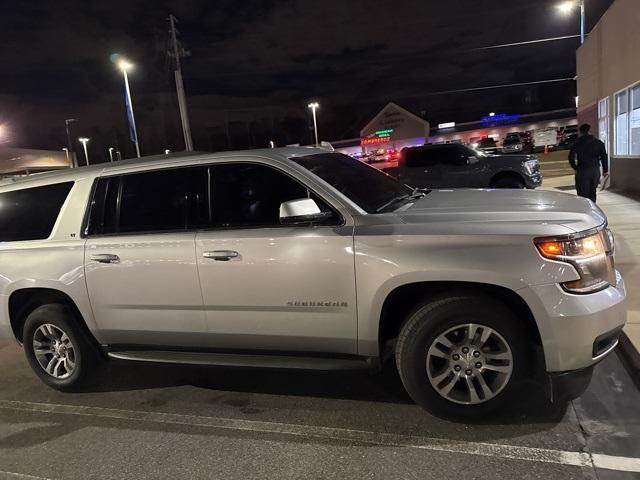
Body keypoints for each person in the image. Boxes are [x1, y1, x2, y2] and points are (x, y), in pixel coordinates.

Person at [568, 124, 609, 202]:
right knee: (592, 191)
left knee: (582, 193)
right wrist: (605, 170)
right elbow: (604, 157)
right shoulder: (598, 142)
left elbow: (571, 158)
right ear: (590, 131)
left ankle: (584, 210)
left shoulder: (577, 143)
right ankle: (592, 209)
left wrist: (575, 168)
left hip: (582, 170)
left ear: (580, 132)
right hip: (595, 170)